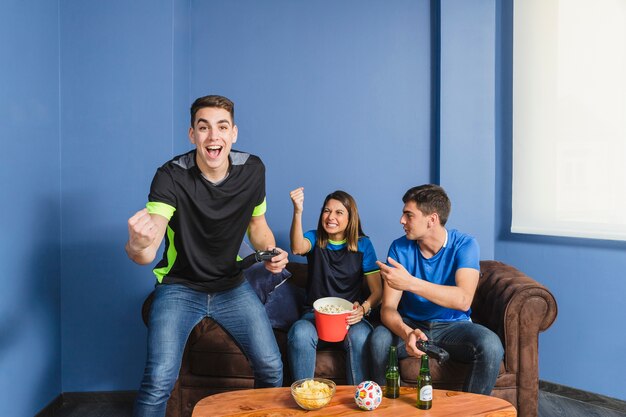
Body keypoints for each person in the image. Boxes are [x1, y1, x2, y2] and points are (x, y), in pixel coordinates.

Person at [126, 95, 289, 417]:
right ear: (192, 135)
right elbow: (147, 249)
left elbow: (258, 226)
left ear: (234, 133)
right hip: (179, 288)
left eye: (221, 127)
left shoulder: (252, 170)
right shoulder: (171, 175)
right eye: (204, 128)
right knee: (159, 380)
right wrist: (137, 244)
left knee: (271, 367)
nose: (213, 136)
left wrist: (268, 252)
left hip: (232, 287)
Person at [370, 184, 503, 394]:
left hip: (453, 326)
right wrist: (407, 333)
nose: (401, 220)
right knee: (379, 339)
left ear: (431, 219)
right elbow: (388, 308)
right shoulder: (399, 248)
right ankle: (384, 408)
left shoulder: (465, 245)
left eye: (408, 215)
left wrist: (410, 282)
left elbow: (463, 300)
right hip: (412, 324)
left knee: (492, 346)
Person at [287, 187, 382, 385]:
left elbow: (377, 291)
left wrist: (363, 309)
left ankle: (358, 397)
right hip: (314, 317)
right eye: (327, 211)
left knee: (362, 336)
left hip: (350, 319)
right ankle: (305, 396)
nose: (331, 217)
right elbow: (297, 247)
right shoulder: (315, 238)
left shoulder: (363, 245)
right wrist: (298, 211)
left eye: (339, 212)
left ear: (350, 218)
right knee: (300, 332)